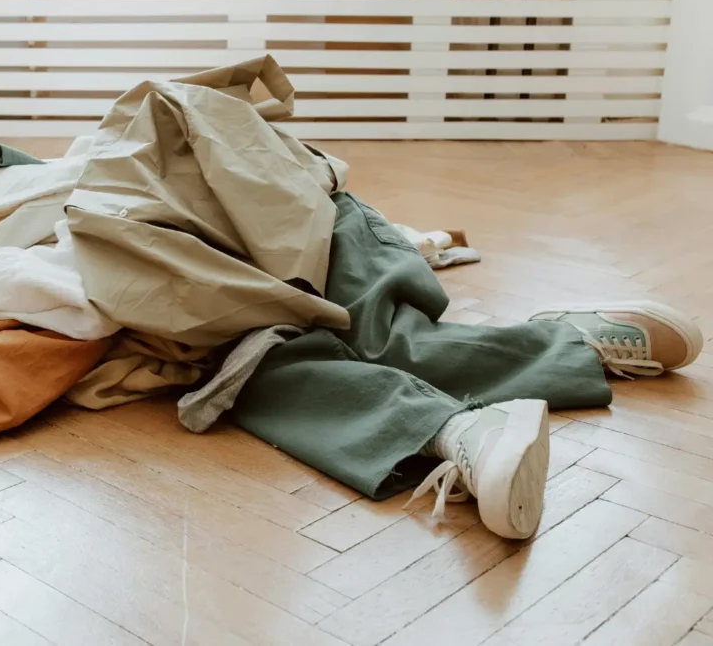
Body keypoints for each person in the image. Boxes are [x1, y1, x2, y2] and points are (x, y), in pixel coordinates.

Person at [231, 192, 702, 540]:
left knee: (374, 339)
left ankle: (567, 344)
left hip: (303, 223)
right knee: (243, 368)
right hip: (221, 306)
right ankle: (466, 432)